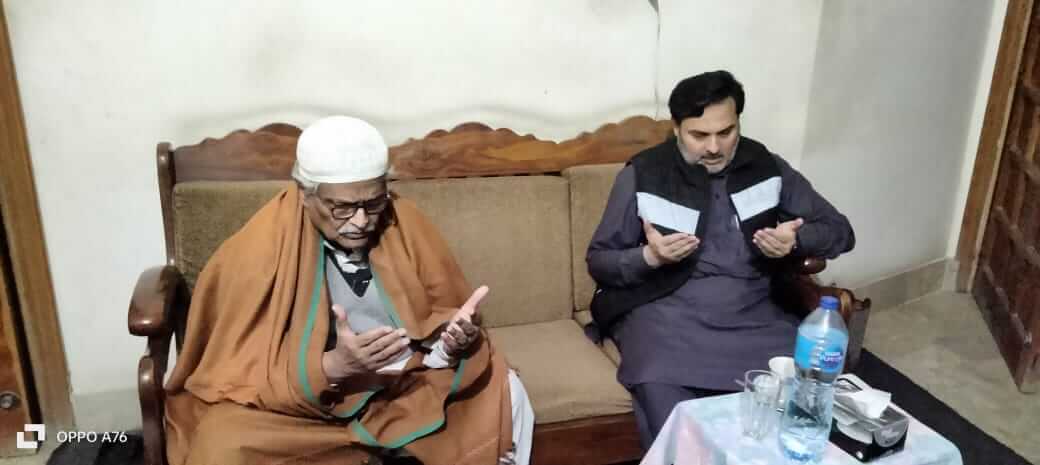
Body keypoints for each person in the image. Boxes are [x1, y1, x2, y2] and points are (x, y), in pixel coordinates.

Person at [164, 116, 534, 465]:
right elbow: (240, 368)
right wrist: (333, 366)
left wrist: (450, 343)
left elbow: (435, 323)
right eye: (342, 207)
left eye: (372, 203)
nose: (360, 221)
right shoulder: (256, 249)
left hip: (404, 382)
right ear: (305, 194)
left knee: (506, 392)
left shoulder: (403, 221)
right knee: (222, 445)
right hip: (310, 404)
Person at [586, 70, 855, 448]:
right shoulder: (644, 173)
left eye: (726, 133)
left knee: (800, 417)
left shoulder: (766, 167)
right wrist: (648, 256)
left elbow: (840, 230)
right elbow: (600, 260)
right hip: (665, 318)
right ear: (677, 128)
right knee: (678, 424)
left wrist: (796, 241)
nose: (714, 147)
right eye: (699, 135)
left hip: (755, 316)